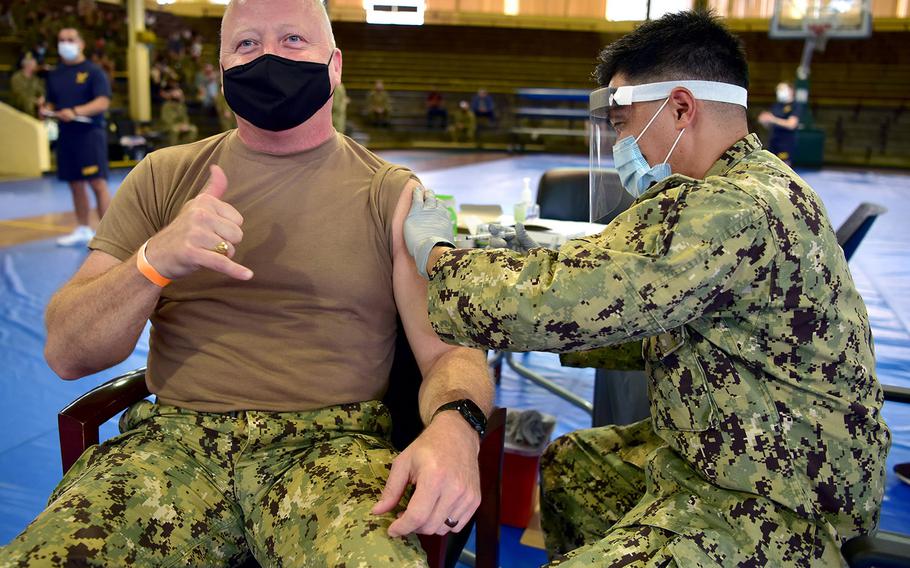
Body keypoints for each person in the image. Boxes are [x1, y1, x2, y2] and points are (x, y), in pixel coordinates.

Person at [1, 1, 493, 565]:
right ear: (221, 70)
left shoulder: (392, 195)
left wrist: (459, 425)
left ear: (334, 66)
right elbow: (68, 352)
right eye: (246, 45)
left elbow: (448, 352)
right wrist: (152, 261)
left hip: (327, 451)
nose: (268, 58)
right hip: (173, 447)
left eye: (292, 40)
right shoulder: (163, 177)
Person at [403, 10, 889, 566]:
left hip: (776, 494)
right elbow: (644, 310)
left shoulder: (730, 207)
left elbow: (561, 299)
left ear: (681, 108)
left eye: (624, 121)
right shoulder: (759, 183)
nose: (620, 141)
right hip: (737, 446)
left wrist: (439, 259)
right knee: (573, 465)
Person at [44, 26, 112, 247]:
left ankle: (110, 234)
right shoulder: (55, 74)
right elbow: (52, 101)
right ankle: (83, 228)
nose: (65, 43)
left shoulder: (93, 72)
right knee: (75, 183)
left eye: (70, 39)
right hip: (66, 135)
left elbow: (102, 102)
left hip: (89, 134)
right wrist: (46, 108)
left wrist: (75, 112)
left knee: (97, 183)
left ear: (81, 43)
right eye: (61, 39)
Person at [758, 81, 802, 165]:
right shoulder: (777, 105)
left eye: (782, 89)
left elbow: (791, 124)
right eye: (778, 89)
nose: (779, 91)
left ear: (791, 91)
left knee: (784, 167)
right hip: (773, 141)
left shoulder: (796, 105)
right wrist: (764, 120)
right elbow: (770, 124)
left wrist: (772, 119)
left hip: (786, 142)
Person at [159, 81, 198, 146]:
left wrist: (185, 124)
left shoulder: (181, 106)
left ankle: (186, 146)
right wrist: (179, 126)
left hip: (181, 124)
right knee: (175, 130)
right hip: (169, 125)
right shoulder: (166, 106)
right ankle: (173, 148)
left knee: (193, 129)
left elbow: (185, 117)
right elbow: (166, 119)